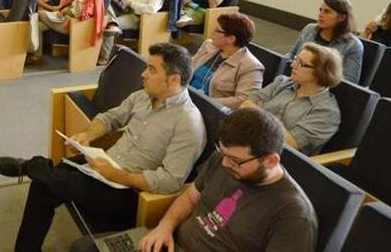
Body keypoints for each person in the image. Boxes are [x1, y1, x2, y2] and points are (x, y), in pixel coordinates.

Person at [0, 43, 206, 252]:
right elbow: (110, 118)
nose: (143, 74)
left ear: (174, 79)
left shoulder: (188, 124)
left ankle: (30, 166)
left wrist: (116, 175)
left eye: (151, 69)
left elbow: (170, 181)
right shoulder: (144, 96)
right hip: (105, 166)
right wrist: (88, 135)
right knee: (43, 185)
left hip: (129, 191)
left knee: (47, 180)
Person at [112, 108, 317, 252]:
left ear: (271, 161)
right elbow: (191, 197)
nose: (226, 164)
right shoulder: (224, 159)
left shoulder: (294, 216)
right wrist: (165, 226)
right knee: (85, 247)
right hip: (171, 243)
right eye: (223, 153)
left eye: (236, 161)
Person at [242, 43, 341, 156]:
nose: (293, 65)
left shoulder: (327, 112)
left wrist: (259, 111)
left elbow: (289, 142)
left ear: (320, 72)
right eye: (296, 59)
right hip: (248, 139)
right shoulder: (282, 82)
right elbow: (246, 104)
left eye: (301, 64)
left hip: (277, 159)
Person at [26, 0, 105, 65]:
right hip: (64, 19)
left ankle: (29, 47)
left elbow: (81, 15)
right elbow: (69, 6)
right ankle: (37, 55)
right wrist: (64, 11)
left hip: (72, 25)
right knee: (38, 25)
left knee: (38, 14)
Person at [189, 13, 264, 109]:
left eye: (217, 31)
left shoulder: (251, 66)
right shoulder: (208, 45)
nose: (212, 33)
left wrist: (206, 102)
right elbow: (189, 65)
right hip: (188, 97)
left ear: (231, 39)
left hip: (212, 110)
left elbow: (245, 99)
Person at [287, 0, 363, 83]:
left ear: (342, 17)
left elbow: (350, 81)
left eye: (327, 11)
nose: (320, 14)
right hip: (295, 81)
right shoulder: (309, 29)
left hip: (323, 89)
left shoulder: (353, 45)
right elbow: (291, 55)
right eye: (320, 10)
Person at [100, 0, 165, 59]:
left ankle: (106, 56)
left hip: (136, 17)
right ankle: (112, 25)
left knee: (107, 23)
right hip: (124, 9)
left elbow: (151, 9)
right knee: (103, 7)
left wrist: (131, 3)